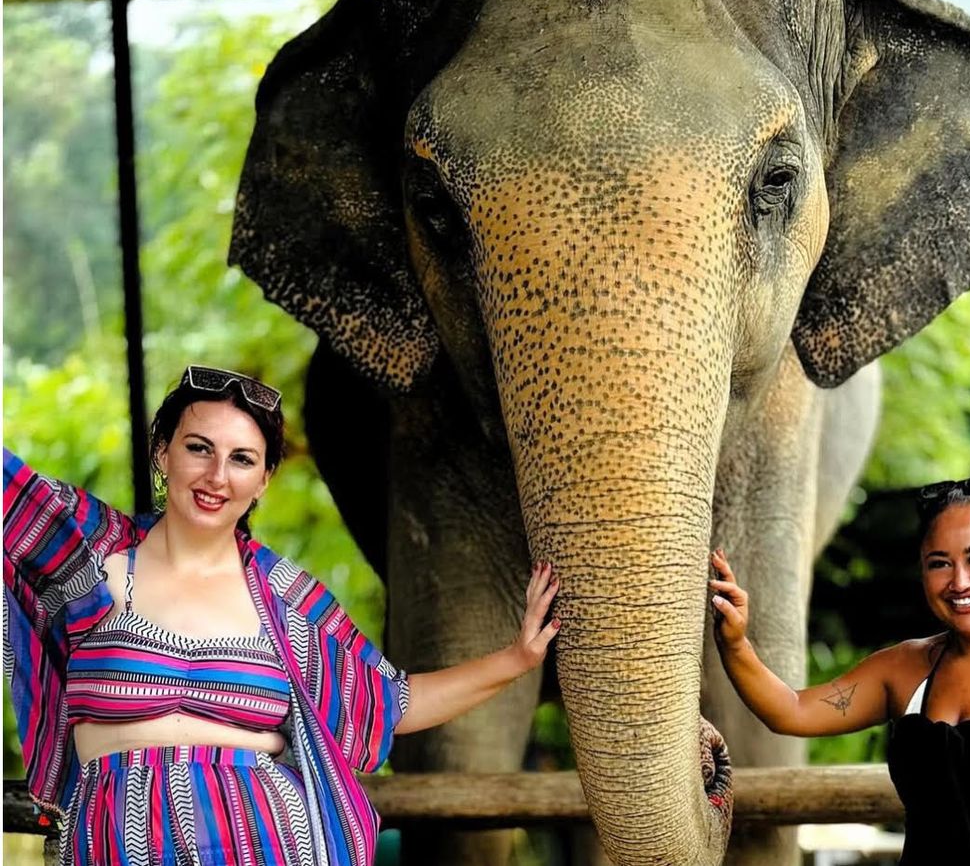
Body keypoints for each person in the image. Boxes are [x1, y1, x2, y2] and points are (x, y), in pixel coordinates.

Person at [4, 365, 561, 866]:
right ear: (162, 453)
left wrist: (517, 659)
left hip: (267, 840)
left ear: (264, 478)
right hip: (114, 839)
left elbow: (393, 703)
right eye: (199, 448)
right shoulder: (89, 557)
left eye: (242, 459)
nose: (217, 475)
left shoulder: (285, 600)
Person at [710, 473, 970, 866]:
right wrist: (736, 643)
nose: (960, 581)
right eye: (940, 564)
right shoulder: (902, 669)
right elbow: (791, 710)